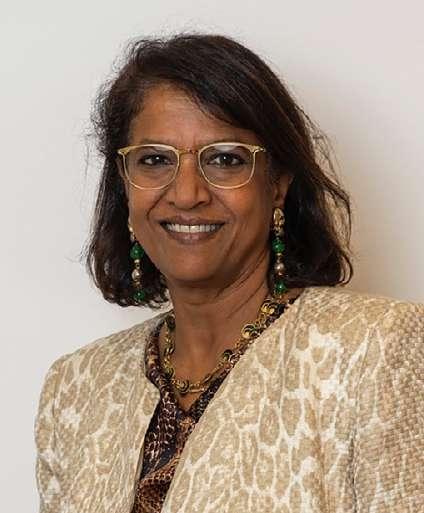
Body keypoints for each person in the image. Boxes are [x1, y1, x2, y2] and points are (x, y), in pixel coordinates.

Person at [34, 33, 424, 513]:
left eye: (225, 159)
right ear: (125, 185)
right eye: (155, 160)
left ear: (277, 184)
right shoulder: (76, 388)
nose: (187, 194)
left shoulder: (375, 350)